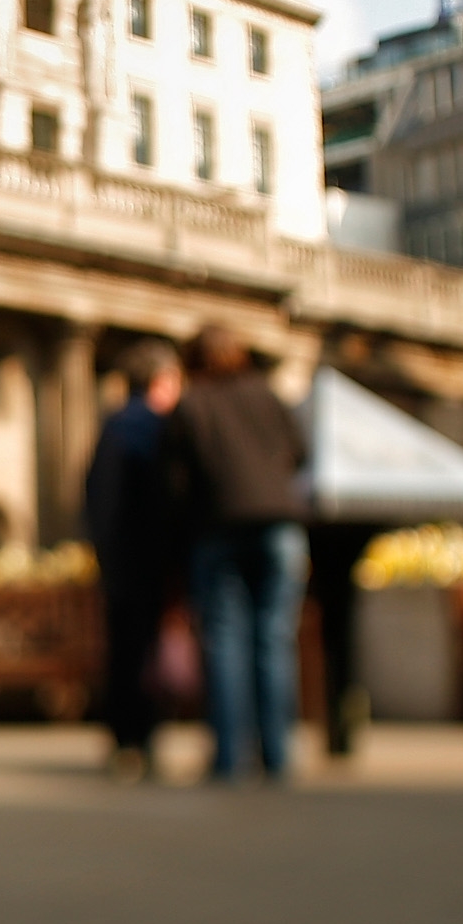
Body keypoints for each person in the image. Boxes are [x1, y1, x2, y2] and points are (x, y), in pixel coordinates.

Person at [167, 327, 307, 783]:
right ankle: (278, 755)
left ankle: (229, 757)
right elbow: (301, 452)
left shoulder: (192, 404)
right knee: (274, 639)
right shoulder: (267, 395)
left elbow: (175, 481)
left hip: (219, 528)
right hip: (278, 525)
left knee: (225, 641)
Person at [82, 338, 183, 782]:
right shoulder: (159, 427)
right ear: (163, 381)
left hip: (118, 556)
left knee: (123, 652)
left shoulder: (114, 425)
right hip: (149, 556)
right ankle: (141, 738)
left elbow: (94, 496)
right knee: (145, 654)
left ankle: (125, 742)